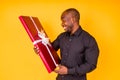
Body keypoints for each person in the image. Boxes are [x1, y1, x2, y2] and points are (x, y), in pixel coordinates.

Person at [34, 8, 99, 80]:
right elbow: (51, 49)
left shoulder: (89, 40)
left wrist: (68, 71)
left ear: (73, 19)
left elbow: (91, 65)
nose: (62, 24)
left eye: (64, 21)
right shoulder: (62, 36)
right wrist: (39, 49)